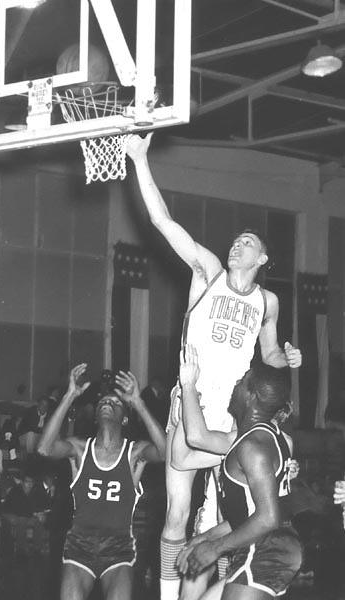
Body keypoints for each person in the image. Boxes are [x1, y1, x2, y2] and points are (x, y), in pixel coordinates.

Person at [126, 133, 302, 600]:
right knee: (178, 515)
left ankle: (225, 584)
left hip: (235, 411)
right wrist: (141, 160)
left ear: (261, 259)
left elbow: (269, 357)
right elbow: (161, 220)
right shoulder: (206, 270)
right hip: (192, 401)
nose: (236, 245)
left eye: (247, 243)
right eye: (236, 240)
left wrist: (289, 358)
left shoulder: (268, 301)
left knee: (233, 512)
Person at [176, 347, 302, 600]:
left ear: (251, 396)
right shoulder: (263, 439)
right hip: (270, 545)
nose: (236, 385)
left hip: (264, 548)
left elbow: (267, 517)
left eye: (242, 382)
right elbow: (248, 514)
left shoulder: (252, 447)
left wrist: (215, 548)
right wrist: (202, 540)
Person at [38, 363, 166, 600]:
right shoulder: (79, 448)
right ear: (96, 416)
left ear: (125, 420)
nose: (108, 403)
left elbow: (167, 454)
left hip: (118, 548)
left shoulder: (134, 453)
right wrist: (69, 395)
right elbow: (44, 448)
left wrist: (138, 402)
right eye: (103, 403)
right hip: (79, 545)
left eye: (116, 403)